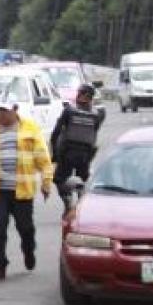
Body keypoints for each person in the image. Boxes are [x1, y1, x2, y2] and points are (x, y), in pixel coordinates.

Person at [0, 101, 53, 282]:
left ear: (15, 110)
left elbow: (43, 157)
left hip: (22, 190)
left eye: (5, 111)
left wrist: (46, 182)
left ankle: (28, 249)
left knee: (25, 228)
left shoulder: (30, 127)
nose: (1, 115)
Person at [51, 83, 102, 212]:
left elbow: (56, 132)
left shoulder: (69, 110)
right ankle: (80, 195)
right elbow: (94, 133)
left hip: (68, 151)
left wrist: (54, 155)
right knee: (84, 178)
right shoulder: (97, 114)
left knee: (58, 178)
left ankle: (67, 197)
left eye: (80, 93)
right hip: (86, 154)